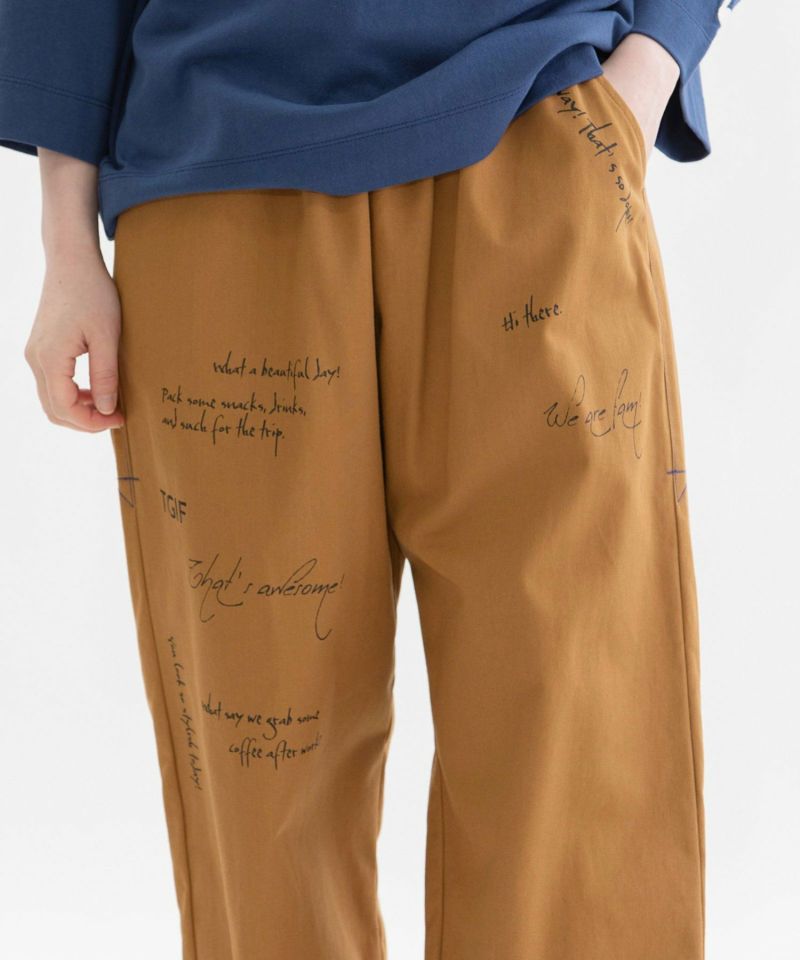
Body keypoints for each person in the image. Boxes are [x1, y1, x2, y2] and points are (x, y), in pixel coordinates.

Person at [0, 2, 740, 957]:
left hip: (531, 144)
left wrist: (650, 65)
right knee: (261, 776)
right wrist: (65, 242)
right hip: (216, 178)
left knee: (577, 750)